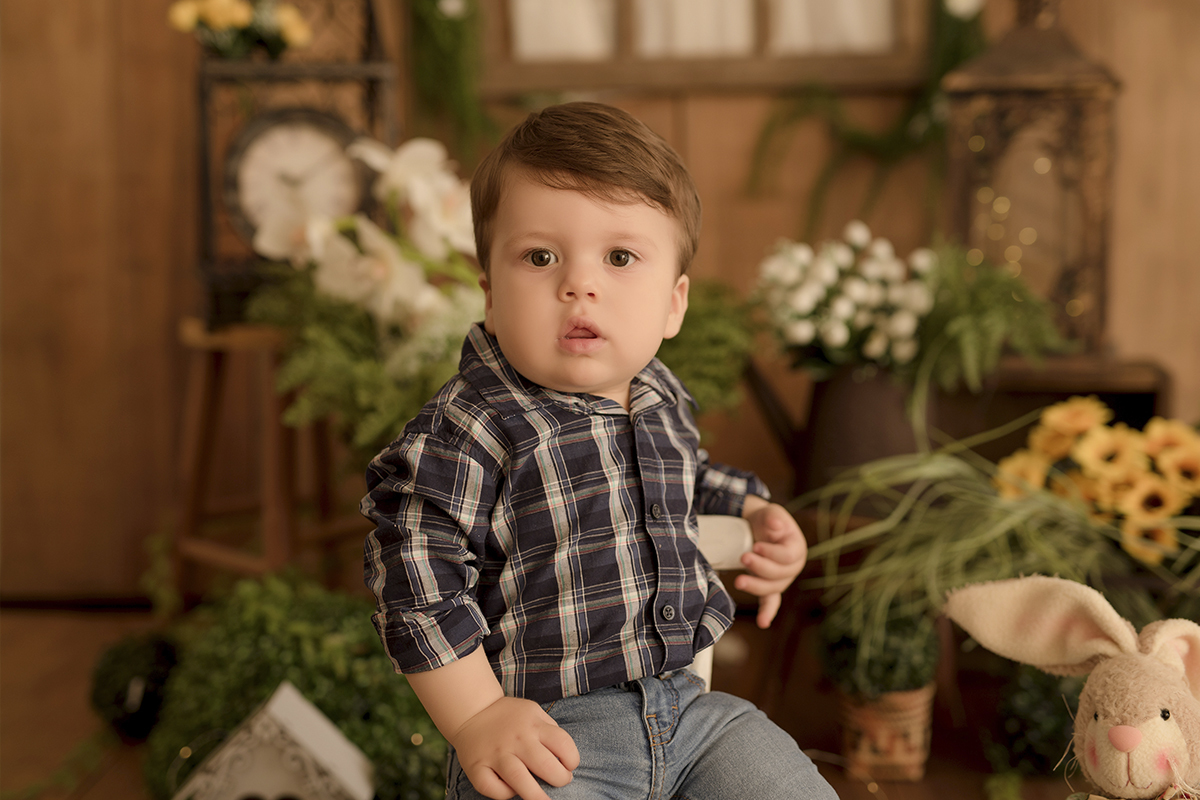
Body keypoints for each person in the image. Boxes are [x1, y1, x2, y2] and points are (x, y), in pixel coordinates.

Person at [362, 101, 837, 800]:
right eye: (540, 257)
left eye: (619, 257)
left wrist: (758, 513)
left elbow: (688, 479)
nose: (578, 284)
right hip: (548, 732)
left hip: (694, 719)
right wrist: (477, 715)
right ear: (490, 294)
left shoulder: (658, 396)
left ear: (673, 304)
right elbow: (412, 567)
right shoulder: (473, 423)